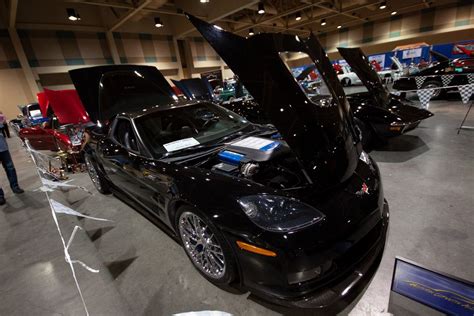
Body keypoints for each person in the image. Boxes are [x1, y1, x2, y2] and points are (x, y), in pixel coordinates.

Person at [0, 133, 24, 205]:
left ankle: (15, 186)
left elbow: (1, 124)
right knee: (10, 167)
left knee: (10, 168)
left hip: (3, 147)